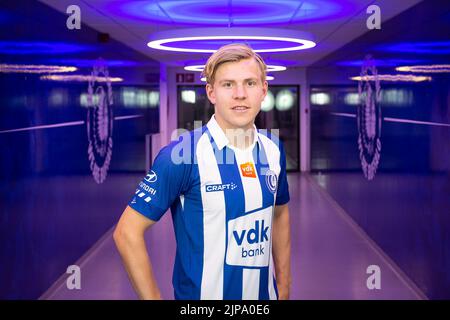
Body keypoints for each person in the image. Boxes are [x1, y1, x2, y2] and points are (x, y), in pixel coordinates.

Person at [113, 43, 291, 300]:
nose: (240, 94)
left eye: (250, 83)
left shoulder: (273, 148)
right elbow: (127, 232)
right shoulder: (181, 156)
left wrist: (284, 288)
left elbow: (280, 213)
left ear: (264, 90)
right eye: (228, 84)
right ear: (211, 92)